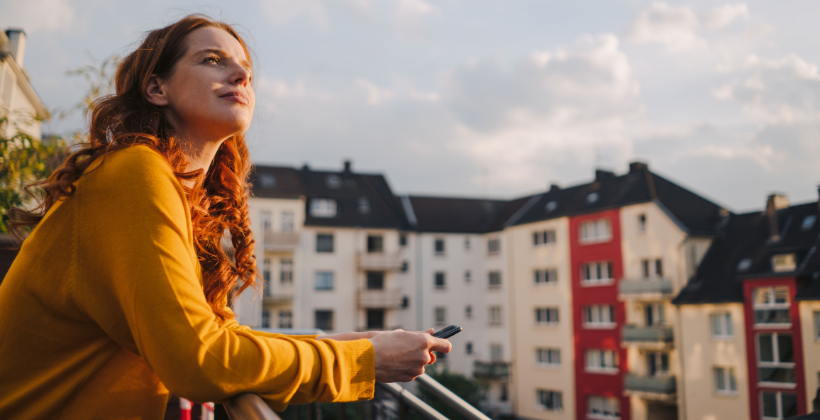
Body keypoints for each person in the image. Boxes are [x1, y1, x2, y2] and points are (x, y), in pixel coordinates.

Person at [0, 14, 451, 419]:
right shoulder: (134, 172)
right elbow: (201, 360)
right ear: (157, 88)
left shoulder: (173, 194)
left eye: (247, 72)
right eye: (212, 60)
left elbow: (220, 339)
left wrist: (359, 344)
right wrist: (364, 361)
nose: (240, 74)